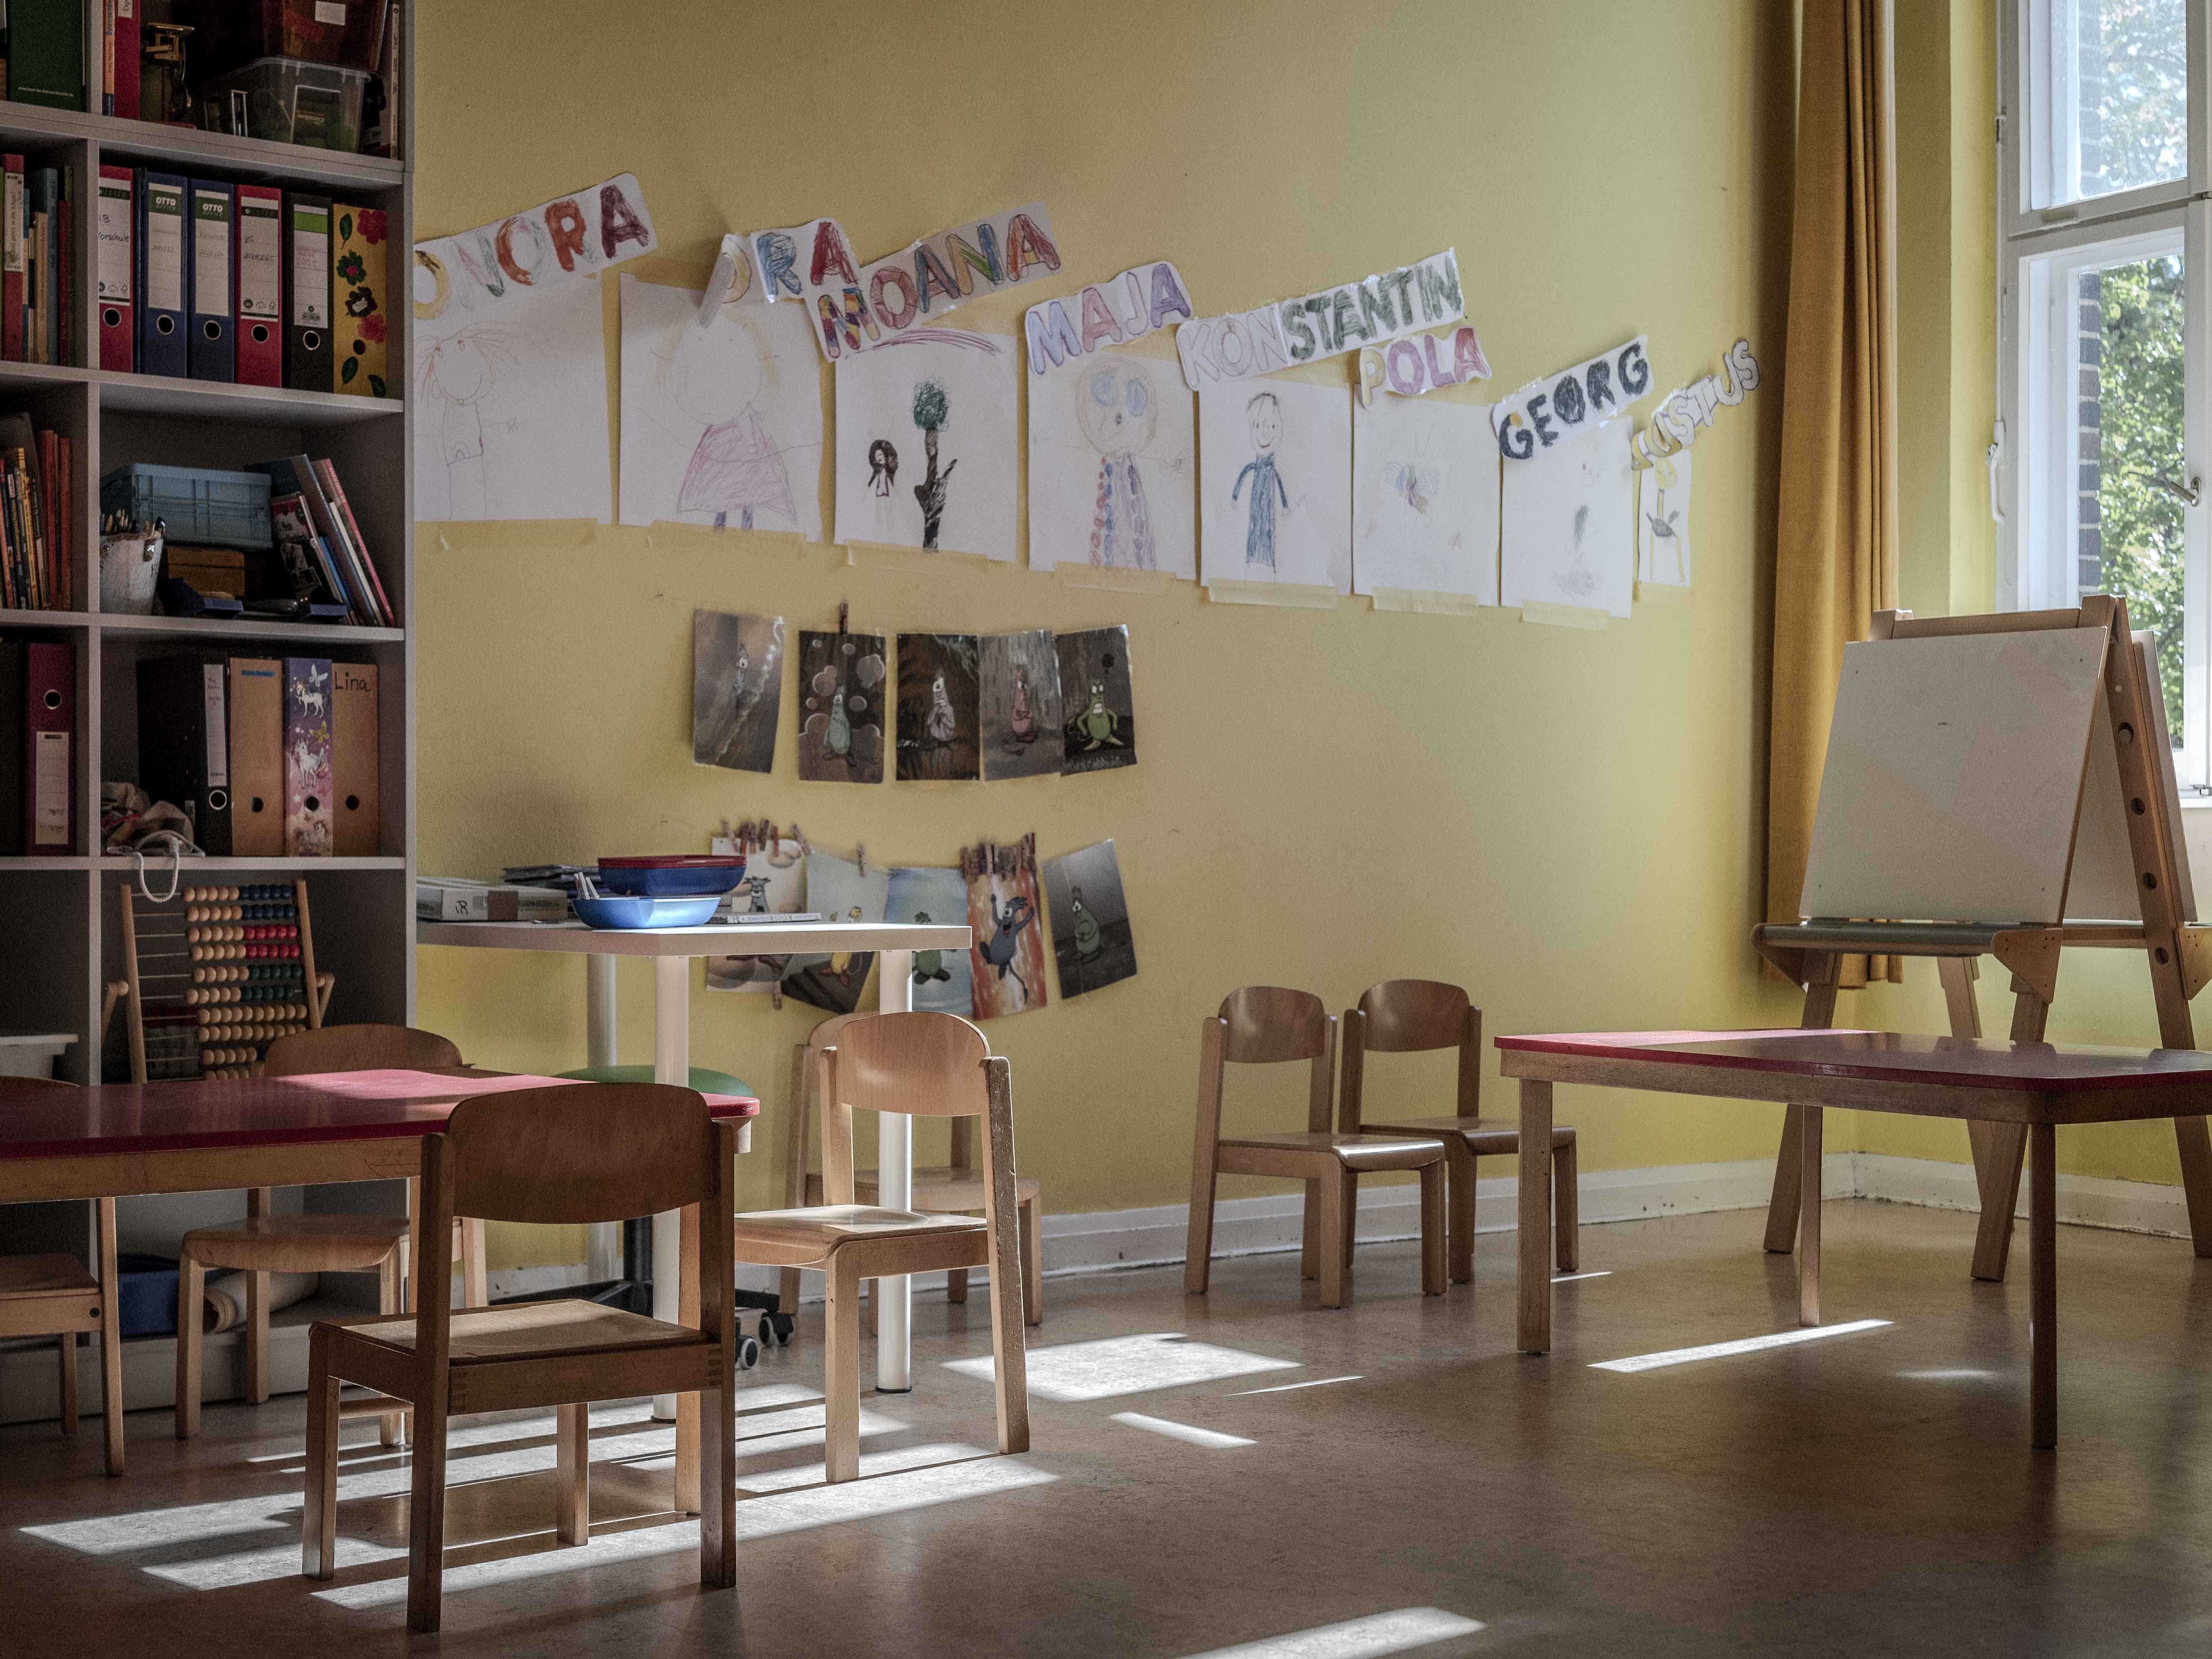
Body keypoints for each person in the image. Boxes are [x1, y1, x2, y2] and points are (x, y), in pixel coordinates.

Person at [1231, 391, 1289, 569]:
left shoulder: (1272, 471)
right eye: (1258, 426)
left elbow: (1279, 485)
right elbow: (1243, 476)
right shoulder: (1253, 468)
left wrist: (1285, 506)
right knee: (1255, 526)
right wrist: (1235, 497)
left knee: (1268, 529)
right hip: (1254, 516)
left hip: (1268, 517)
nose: (1265, 433)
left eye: (1272, 427)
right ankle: (1253, 557)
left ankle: (1266, 558)